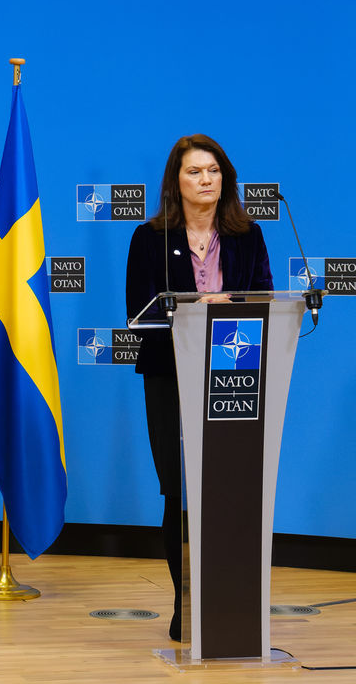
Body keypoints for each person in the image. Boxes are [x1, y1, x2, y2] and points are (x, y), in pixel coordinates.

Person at [124, 133, 273, 642]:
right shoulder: (148, 238)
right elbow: (138, 313)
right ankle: (183, 600)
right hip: (169, 374)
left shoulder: (247, 235)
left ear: (224, 178)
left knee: (231, 488)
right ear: (176, 181)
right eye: (195, 171)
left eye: (213, 170)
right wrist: (194, 308)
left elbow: (266, 300)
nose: (206, 179)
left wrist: (229, 308)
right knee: (177, 490)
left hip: (234, 376)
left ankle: (228, 599)